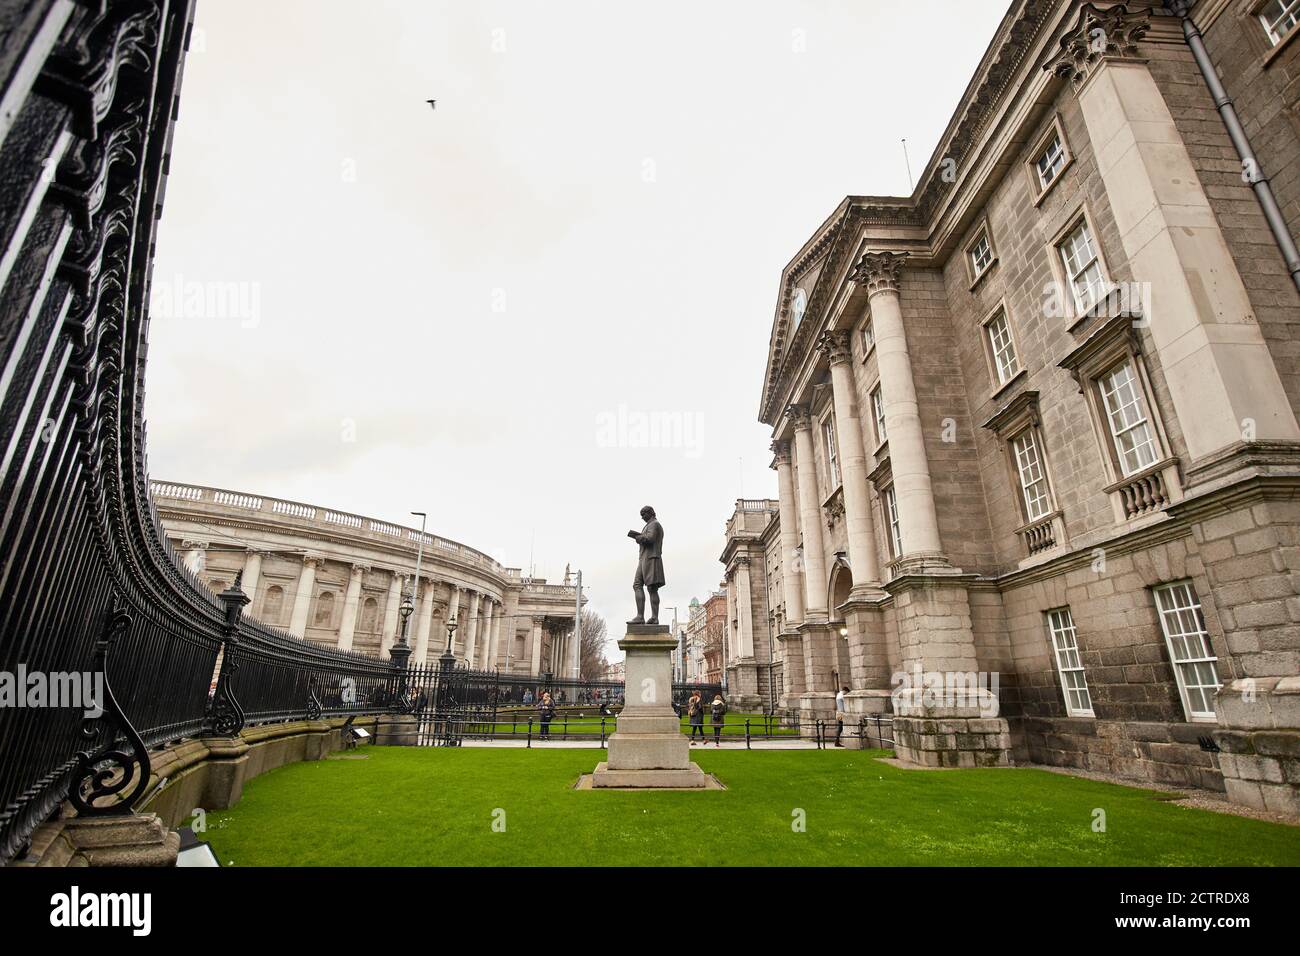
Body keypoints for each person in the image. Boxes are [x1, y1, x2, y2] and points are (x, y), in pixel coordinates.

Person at [627, 505, 665, 624]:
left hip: (651, 558)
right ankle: (640, 616)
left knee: (652, 588)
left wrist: (639, 537)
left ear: (651, 513)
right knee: (637, 585)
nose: (642, 517)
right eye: (641, 515)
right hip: (644, 559)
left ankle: (654, 617)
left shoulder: (655, 524)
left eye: (644, 514)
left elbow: (650, 538)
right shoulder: (648, 525)